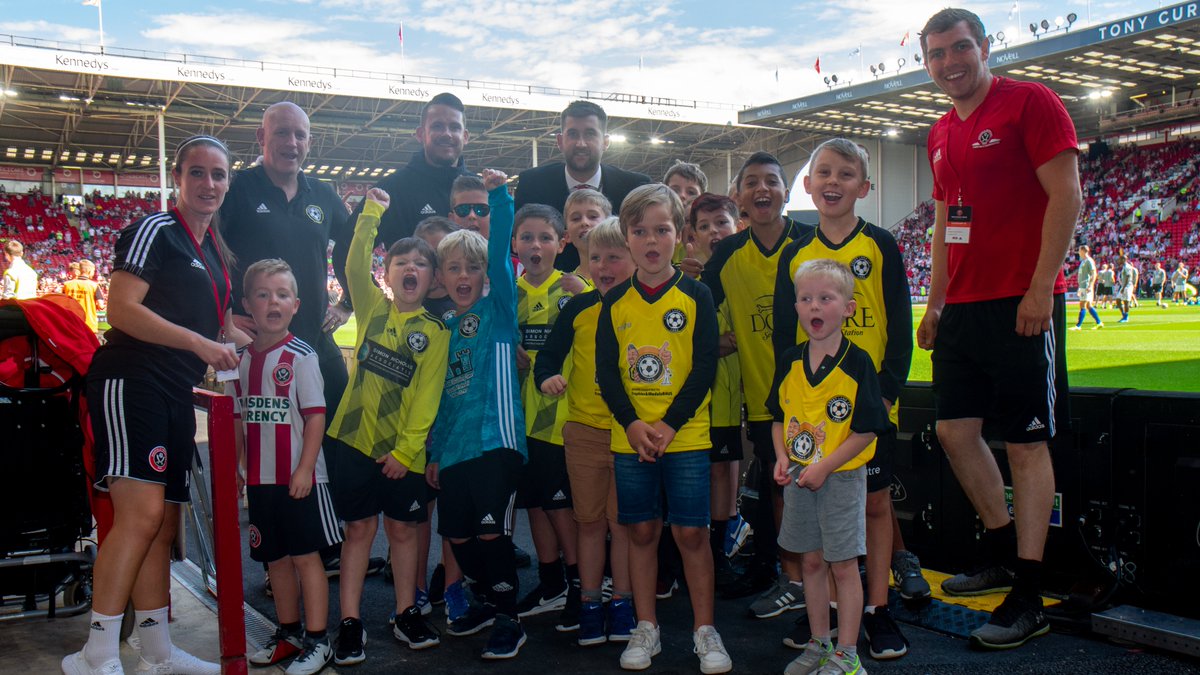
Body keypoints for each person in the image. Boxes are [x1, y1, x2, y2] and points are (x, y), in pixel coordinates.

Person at [917, 7, 1081, 650]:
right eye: (937, 54)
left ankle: (1030, 591)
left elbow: (1066, 195)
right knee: (955, 433)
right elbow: (942, 226)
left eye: (961, 49)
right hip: (962, 307)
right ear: (926, 62)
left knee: (1025, 444)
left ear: (985, 48)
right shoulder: (937, 131)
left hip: (1021, 299)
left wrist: (1041, 288)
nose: (950, 63)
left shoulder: (1030, 102)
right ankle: (1001, 550)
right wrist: (934, 303)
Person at [64, 135, 245, 675]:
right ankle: (95, 654)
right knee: (139, 517)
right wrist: (197, 343)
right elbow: (121, 308)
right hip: (131, 381)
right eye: (197, 172)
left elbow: (222, 326)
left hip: (172, 390)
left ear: (228, 181)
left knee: (164, 525)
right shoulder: (155, 230)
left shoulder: (214, 249)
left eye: (218, 174)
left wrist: (275, 332)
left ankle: (156, 648)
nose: (208, 184)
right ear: (177, 176)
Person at [772, 138, 922, 661]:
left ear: (864, 186)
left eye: (845, 174)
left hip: (867, 408)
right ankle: (830, 616)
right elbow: (783, 337)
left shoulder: (879, 244)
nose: (833, 182)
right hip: (810, 415)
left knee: (875, 504)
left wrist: (885, 393)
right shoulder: (796, 250)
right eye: (823, 173)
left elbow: (899, 326)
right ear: (808, 185)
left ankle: (878, 611)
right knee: (815, 518)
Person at [596, 183, 731, 674]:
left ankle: (704, 629)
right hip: (630, 439)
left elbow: (702, 369)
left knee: (693, 535)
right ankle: (645, 625)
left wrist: (670, 425)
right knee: (642, 531)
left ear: (681, 237)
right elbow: (608, 375)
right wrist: (631, 424)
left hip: (686, 438)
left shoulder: (696, 294)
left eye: (662, 230)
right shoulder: (614, 303)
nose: (651, 240)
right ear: (626, 238)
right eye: (639, 231)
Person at [220, 100, 356, 581]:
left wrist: (349, 304)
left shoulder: (322, 193)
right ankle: (277, 545)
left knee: (336, 430)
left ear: (309, 142)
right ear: (262, 138)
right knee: (268, 440)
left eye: (299, 135)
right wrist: (225, 313)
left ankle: (328, 536)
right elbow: (211, 247)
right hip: (258, 346)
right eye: (281, 133)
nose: (291, 143)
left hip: (313, 341)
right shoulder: (238, 190)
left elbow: (352, 246)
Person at [326, 189, 451, 663]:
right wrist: (370, 214)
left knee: (403, 532)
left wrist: (405, 451)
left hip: (405, 453)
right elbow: (355, 262)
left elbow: (427, 398)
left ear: (432, 277)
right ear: (388, 272)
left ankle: (405, 613)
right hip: (354, 443)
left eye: (421, 264)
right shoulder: (372, 308)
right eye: (402, 262)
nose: (411, 269)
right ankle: (351, 623)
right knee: (358, 531)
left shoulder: (435, 333)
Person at [426, 169, 529, 659]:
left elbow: (504, 258)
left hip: (497, 444)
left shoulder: (500, 312)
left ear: (486, 273)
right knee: (459, 537)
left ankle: (509, 619)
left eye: (473, 268)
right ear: (441, 277)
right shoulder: (448, 327)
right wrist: (434, 451)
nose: (463, 277)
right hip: (456, 451)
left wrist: (499, 198)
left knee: (492, 532)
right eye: (454, 270)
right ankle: (493, 598)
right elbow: (445, 396)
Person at [701, 152, 810, 604]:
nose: (762, 189)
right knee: (774, 487)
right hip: (767, 400)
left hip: (817, 393)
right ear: (739, 196)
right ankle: (780, 573)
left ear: (786, 192)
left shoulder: (811, 241)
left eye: (771, 181)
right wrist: (715, 340)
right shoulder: (727, 254)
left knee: (835, 487)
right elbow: (698, 310)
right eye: (751, 182)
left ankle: (838, 577)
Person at [773, 259, 890, 675]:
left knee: (842, 565)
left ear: (848, 308)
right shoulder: (789, 359)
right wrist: (783, 457)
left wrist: (825, 466)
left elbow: (868, 431)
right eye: (805, 298)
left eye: (825, 297)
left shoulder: (858, 365)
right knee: (809, 563)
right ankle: (819, 644)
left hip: (839, 478)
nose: (814, 306)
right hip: (800, 478)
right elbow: (777, 418)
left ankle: (847, 654)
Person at [231, 259, 341, 675]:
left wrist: (304, 469)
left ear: (295, 304)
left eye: (281, 295)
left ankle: (318, 639)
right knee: (274, 560)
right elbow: (241, 417)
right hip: (260, 480)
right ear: (248, 304)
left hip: (300, 479)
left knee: (306, 557)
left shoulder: (301, 356)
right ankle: (289, 633)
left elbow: (315, 416)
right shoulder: (242, 359)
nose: (272, 302)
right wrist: (240, 465)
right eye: (262, 294)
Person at [534, 217, 636, 647]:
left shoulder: (645, 306)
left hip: (632, 435)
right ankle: (591, 602)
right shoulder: (578, 308)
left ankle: (625, 602)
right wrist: (547, 379)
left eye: (614, 256)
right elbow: (548, 359)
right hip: (585, 433)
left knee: (625, 526)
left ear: (634, 258)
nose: (603, 265)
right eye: (595, 257)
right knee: (589, 523)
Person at [511, 204, 582, 629]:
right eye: (526, 237)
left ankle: (579, 584)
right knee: (536, 504)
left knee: (561, 507)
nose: (535, 246)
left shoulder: (574, 288)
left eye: (544, 238)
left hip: (562, 419)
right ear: (515, 243)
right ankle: (551, 580)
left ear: (561, 243)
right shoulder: (509, 294)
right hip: (521, 420)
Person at [333, 92, 473, 277]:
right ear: (421, 134)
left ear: (465, 136)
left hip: (476, 306)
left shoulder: (481, 190)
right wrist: (375, 303)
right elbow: (346, 251)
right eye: (437, 126)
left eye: (454, 127)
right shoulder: (393, 189)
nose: (446, 134)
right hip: (413, 306)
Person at [684, 193, 744, 590]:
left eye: (721, 223)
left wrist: (719, 340)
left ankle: (720, 551)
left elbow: (738, 337)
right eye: (704, 227)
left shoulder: (741, 272)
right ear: (691, 236)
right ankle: (692, 550)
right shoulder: (685, 279)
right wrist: (716, 340)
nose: (713, 232)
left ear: (736, 225)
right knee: (696, 473)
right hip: (691, 400)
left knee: (722, 472)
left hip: (727, 394)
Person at [513, 100, 651, 272]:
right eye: (572, 134)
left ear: (605, 142)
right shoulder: (532, 184)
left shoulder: (635, 187)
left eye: (590, 134)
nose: (581, 143)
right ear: (560, 141)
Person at [562, 188, 613, 284]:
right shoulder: (563, 287)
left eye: (593, 216)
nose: (584, 222)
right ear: (567, 236)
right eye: (576, 218)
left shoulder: (625, 277)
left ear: (609, 224)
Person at [63, 259, 106, 333]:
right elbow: (101, 305)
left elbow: (62, 302)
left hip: (71, 323)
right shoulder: (94, 286)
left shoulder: (67, 285)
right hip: (88, 324)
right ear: (89, 271)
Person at [1070, 245, 1103, 330]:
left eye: (1080, 251)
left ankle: (1078, 326)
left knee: (1083, 305)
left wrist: (1090, 285)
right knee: (1088, 305)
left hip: (1086, 286)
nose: (1079, 253)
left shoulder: (1089, 261)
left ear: (1084, 251)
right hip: (1082, 286)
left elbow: (1094, 273)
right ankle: (1099, 322)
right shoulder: (1083, 261)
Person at [1117, 255, 1138, 323]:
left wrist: (1123, 287)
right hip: (1124, 286)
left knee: (1126, 301)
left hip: (1127, 286)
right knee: (1118, 300)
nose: (1118, 261)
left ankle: (1126, 317)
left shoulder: (1127, 267)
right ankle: (1124, 315)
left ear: (1123, 260)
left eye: (1120, 259)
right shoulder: (1124, 266)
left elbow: (1128, 277)